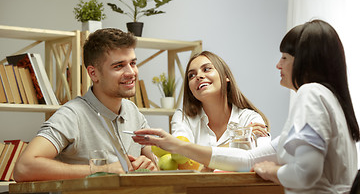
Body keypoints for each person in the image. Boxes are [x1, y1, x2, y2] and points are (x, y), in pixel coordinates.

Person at [133, 20, 359, 193]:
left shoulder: (310, 94)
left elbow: (306, 172)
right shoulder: (330, 99)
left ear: (304, 60)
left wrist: (274, 171)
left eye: (284, 58)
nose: (278, 64)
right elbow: (247, 160)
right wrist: (177, 146)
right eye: (191, 74)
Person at [14, 28, 158, 182]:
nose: (131, 72)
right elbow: (24, 168)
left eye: (133, 63)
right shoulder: (71, 115)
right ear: (93, 73)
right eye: (118, 66)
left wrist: (151, 166)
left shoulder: (133, 112)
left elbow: (156, 164)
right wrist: (103, 170)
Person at [171, 51, 270, 150]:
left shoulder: (250, 119)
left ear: (225, 76)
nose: (198, 76)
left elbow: (262, 157)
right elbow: (183, 158)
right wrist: (238, 141)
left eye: (206, 69)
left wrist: (199, 158)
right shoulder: (183, 118)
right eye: (191, 75)